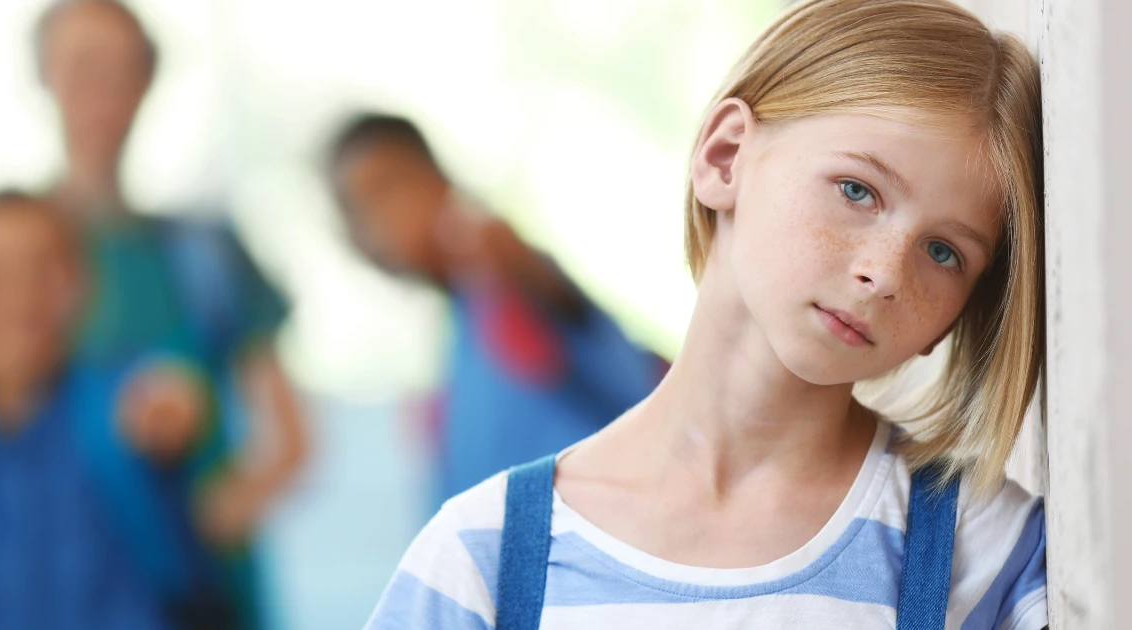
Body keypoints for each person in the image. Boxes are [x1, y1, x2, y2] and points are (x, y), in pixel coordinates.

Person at [364, 0, 1048, 628]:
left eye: (943, 252)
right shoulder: (476, 561)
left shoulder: (988, 551)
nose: (886, 273)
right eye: (856, 190)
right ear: (724, 158)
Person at [34, 2, 306, 626]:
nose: (102, 91)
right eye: (81, 65)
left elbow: (293, 439)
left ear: (147, 83)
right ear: (43, 75)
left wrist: (226, 504)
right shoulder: (4, 258)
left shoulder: (204, 254)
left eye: (122, 69)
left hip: (197, 597)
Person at [324, 114, 666, 508]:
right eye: (351, 210)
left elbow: (626, 386)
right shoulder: (456, 332)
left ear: (436, 179)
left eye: (383, 191)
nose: (371, 226)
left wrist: (516, 268)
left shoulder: (504, 272)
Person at [0, 191, 215, 629]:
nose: (19, 293)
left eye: (40, 269)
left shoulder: (111, 404)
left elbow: (167, 394)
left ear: (83, 284)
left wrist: (172, 405)